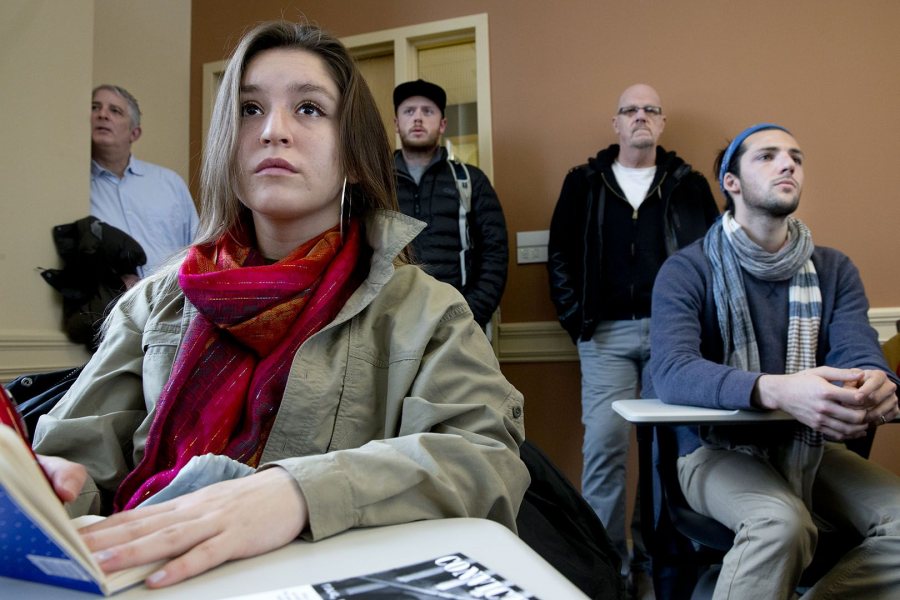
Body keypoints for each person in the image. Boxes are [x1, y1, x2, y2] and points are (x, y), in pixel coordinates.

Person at [32, 21, 529, 589]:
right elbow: (74, 463)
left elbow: (485, 463)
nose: (273, 131)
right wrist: (51, 488)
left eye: (310, 109)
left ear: (352, 152)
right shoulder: (153, 304)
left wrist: (299, 493)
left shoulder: (428, 313)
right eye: (248, 109)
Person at [645, 123, 900, 598]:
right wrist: (778, 389)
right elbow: (672, 370)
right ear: (731, 182)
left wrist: (877, 379)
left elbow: (857, 349)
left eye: (796, 157)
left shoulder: (835, 269)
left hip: (810, 447)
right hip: (712, 448)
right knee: (781, 524)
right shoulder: (687, 268)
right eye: (767, 156)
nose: (788, 164)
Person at [547, 83, 719, 582]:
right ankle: (606, 567)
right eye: (630, 110)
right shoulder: (583, 182)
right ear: (616, 124)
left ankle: (660, 558)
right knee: (605, 447)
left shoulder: (689, 184)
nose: (640, 116)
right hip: (605, 338)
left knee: (669, 449)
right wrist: (574, 317)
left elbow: (714, 257)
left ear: (662, 123)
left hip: (678, 341)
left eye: (650, 110)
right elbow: (559, 255)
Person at [393, 79, 508, 330]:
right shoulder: (377, 184)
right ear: (396, 123)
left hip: (460, 321)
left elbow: (495, 253)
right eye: (409, 111)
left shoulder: (470, 180)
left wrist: (471, 315)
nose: (418, 118)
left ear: (442, 124)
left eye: (428, 111)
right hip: (390, 324)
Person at [91, 84, 199, 280]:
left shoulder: (169, 183)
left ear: (134, 133)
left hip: (173, 304)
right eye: (95, 107)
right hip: (111, 307)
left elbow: (197, 251)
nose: (102, 115)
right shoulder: (76, 189)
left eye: (115, 111)